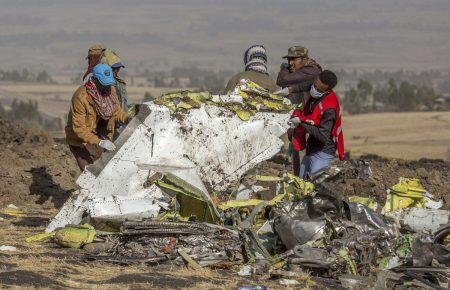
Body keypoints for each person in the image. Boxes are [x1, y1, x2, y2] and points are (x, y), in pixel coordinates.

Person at [66, 63, 128, 171]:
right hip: (80, 141)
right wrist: (100, 142)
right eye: (104, 84)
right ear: (95, 80)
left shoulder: (110, 89)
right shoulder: (81, 97)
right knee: (90, 173)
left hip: (98, 134)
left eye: (109, 83)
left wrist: (127, 119)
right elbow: (79, 129)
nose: (107, 87)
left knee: (104, 169)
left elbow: (116, 111)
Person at [274, 46, 322, 176]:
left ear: (304, 59)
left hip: (310, 125)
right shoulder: (296, 73)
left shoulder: (311, 70)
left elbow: (282, 80)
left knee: (309, 167)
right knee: (298, 167)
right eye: (289, 60)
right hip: (298, 124)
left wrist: (283, 68)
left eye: (293, 59)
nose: (290, 63)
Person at [289, 70, 345, 179]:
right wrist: (289, 89)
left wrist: (302, 122)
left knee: (315, 187)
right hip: (311, 150)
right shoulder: (317, 88)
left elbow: (323, 136)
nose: (313, 89)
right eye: (315, 85)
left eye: (318, 89)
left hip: (322, 153)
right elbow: (306, 85)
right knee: (301, 183)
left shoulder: (329, 108)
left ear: (326, 90)